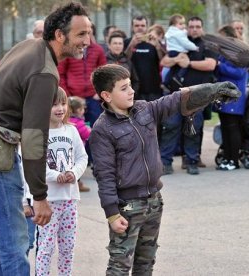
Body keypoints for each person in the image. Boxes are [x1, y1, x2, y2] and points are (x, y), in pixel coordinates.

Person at [0, 2, 91, 274]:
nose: (88, 41)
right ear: (60, 35)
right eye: (81, 34)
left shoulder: (29, 47)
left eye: (89, 33)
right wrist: (40, 196)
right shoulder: (44, 71)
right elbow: (35, 136)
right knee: (15, 242)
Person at [89, 64, 239, 275]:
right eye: (123, 88)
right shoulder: (102, 130)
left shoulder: (144, 109)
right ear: (106, 95)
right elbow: (104, 175)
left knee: (146, 264)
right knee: (119, 267)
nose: (131, 91)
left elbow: (176, 99)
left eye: (130, 85)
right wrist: (112, 214)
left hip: (154, 201)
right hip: (127, 208)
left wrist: (212, 90)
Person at [35, 87, 88, 276]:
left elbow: (82, 158)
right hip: (48, 200)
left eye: (63, 103)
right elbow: (35, 163)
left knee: (67, 248)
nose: (60, 108)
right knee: (46, 247)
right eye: (54, 104)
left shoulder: (72, 131)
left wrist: (74, 172)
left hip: (70, 199)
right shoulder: (38, 133)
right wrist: (55, 175)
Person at [160, 16, 218, 175]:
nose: (194, 29)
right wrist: (177, 59)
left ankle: (192, 161)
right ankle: (165, 162)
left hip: (196, 95)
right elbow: (165, 61)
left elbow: (211, 64)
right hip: (176, 94)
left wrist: (189, 64)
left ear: (202, 28)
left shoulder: (208, 44)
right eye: (191, 26)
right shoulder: (179, 40)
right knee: (170, 127)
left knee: (192, 128)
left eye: (197, 26)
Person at [58, 22, 107, 128]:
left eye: (89, 32)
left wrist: (99, 93)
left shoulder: (98, 50)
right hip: (73, 98)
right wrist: (68, 95)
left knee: (96, 128)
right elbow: (60, 74)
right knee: (73, 128)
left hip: (93, 98)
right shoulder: (68, 50)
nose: (86, 36)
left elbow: (104, 73)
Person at [214, 25, 248, 171]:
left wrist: (219, 66)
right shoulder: (224, 52)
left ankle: (234, 160)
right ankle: (227, 158)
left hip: (234, 95)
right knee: (225, 128)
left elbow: (239, 72)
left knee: (233, 128)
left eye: (221, 37)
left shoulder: (240, 52)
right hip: (223, 94)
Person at [124, 16, 164, 101]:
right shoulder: (127, 42)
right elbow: (124, 61)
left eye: (142, 25)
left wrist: (157, 47)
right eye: (137, 25)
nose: (140, 28)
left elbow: (163, 62)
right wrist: (132, 45)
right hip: (132, 89)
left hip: (153, 89)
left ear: (147, 27)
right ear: (132, 27)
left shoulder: (154, 42)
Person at [163, 14, 198, 87]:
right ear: (174, 25)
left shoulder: (170, 32)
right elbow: (185, 43)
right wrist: (195, 47)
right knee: (185, 64)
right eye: (181, 24)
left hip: (171, 52)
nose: (183, 26)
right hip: (178, 52)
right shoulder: (178, 33)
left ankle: (166, 81)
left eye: (184, 23)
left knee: (172, 69)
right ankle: (178, 77)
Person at [68, 95, 91, 192]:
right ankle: (77, 184)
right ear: (77, 110)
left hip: (69, 149)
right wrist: (90, 130)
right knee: (77, 167)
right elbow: (87, 134)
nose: (84, 110)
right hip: (77, 150)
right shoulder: (78, 123)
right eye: (82, 108)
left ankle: (76, 183)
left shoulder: (68, 120)